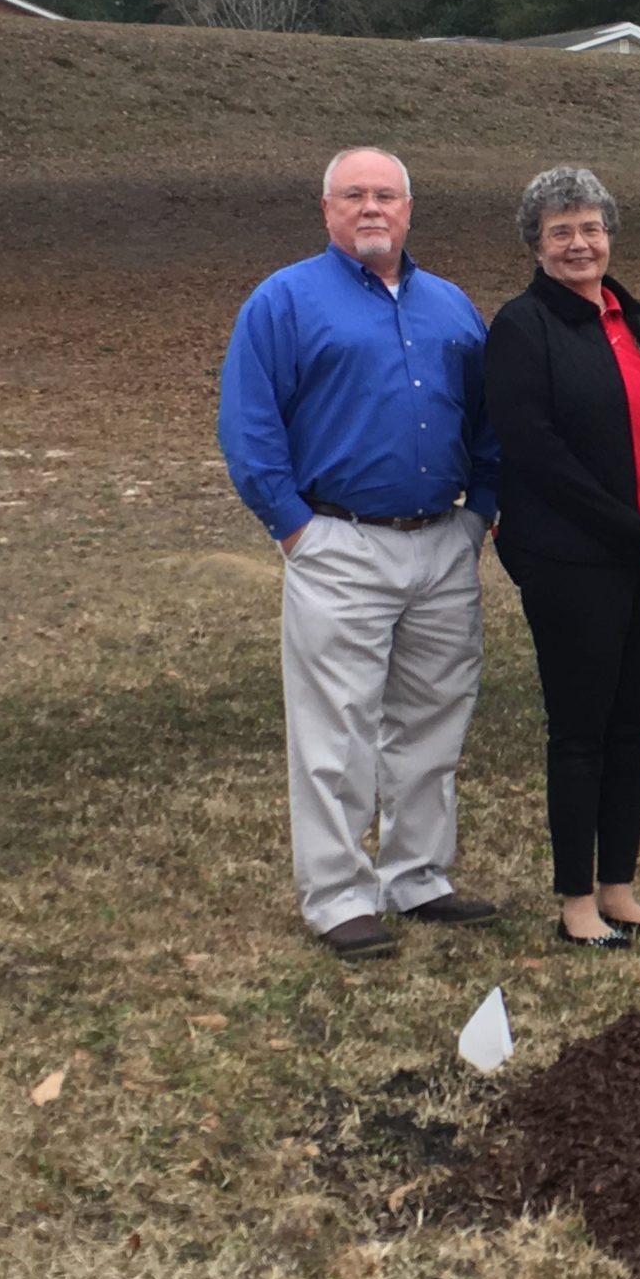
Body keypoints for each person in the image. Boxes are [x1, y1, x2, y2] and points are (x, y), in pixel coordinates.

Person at [218, 147, 501, 961]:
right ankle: (339, 895)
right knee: (337, 726)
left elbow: (488, 420)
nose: (371, 208)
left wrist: (479, 514)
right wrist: (294, 528)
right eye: (355, 196)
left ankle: (417, 874)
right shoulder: (285, 301)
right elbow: (249, 424)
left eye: (386, 195)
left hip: (442, 541)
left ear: (409, 209)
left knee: (434, 716)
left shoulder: (452, 307)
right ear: (327, 209)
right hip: (337, 539)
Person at [485, 167, 640, 949]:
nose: (579, 243)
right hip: (574, 561)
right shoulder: (521, 328)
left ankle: (620, 889)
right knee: (581, 730)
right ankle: (575, 902)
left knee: (636, 726)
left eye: (590, 227)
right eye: (561, 232)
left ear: (610, 234)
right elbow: (535, 451)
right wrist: (633, 528)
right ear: (536, 246)